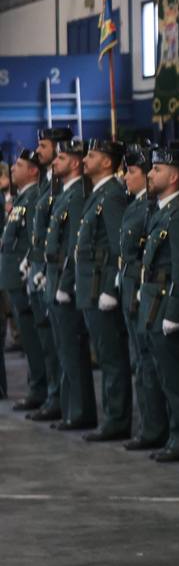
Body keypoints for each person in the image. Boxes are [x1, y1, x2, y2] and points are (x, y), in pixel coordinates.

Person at [139, 147, 179, 462]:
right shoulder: (161, 210)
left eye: (157, 169)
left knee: (177, 377)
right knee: (161, 373)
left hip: (166, 303)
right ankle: (171, 434)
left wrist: (176, 312)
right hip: (153, 299)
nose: (150, 174)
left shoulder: (178, 215)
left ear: (175, 176)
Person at [75, 139, 132, 442]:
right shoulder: (96, 194)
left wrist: (111, 286)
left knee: (111, 357)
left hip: (101, 288)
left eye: (92, 155)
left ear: (108, 162)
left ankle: (117, 419)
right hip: (89, 285)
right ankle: (112, 415)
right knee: (105, 354)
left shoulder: (111, 196)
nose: (85, 159)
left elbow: (116, 246)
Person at [118, 147, 168, 452]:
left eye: (132, 172)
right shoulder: (136, 205)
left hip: (146, 290)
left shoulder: (150, 207)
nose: (127, 177)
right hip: (132, 287)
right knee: (141, 362)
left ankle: (155, 428)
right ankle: (150, 426)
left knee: (149, 363)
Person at [44, 137, 94, 431]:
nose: (54, 163)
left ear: (74, 163)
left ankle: (80, 410)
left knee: (72, 350)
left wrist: (66, 282)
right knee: (62, 348)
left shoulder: (76, 196)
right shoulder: (65, 194)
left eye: (60, 159)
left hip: (66, 280)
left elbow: (76, 245)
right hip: (53, 277)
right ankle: (69, 407)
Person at [26, 127, 70, 423]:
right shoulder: (47, 184)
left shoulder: (64, 186)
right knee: (46, 340)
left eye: (43, 146)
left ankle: (59, 399)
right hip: (43, 270)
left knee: (60, 346)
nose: (39, 151)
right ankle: (51, 395)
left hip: (59, 273)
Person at [3, 150, 51, 412]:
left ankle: (40, 389)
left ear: (33, 170)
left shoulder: (33, 198)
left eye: (19, 165)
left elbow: (32, 239)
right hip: (14, 279)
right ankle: (38, 387)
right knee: (30, 340)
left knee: (34, 339)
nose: (13, 169)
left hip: (25, 280)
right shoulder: (22, 197)